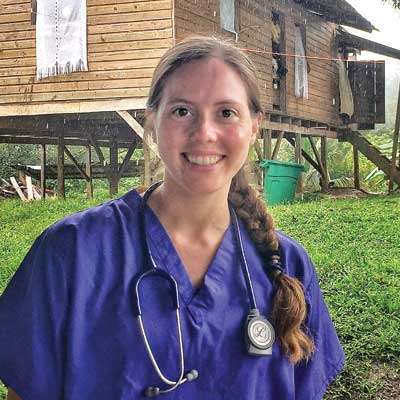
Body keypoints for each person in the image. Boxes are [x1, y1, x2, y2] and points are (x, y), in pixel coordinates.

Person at [0, 36, 345, 400]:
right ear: (152, 123)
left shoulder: (288, 264)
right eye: (182, 110)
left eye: (226, 112)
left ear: (254, 126)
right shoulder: (70, 253)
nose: (204, 133)